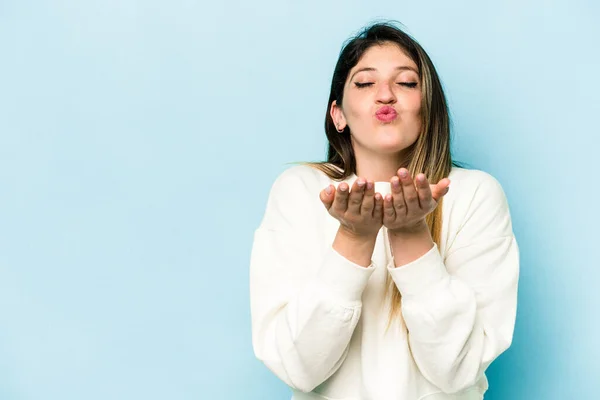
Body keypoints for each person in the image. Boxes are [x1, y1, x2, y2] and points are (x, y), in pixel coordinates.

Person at [249, 21, 519, 400]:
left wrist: (411, 235)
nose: (386, 95)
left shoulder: (474, 195)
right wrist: (353, 238)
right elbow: (299, 369)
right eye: (364, 83)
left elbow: (457, 370)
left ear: (428, 108)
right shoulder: (301, 191)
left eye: (407, 83)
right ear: (338, 114)